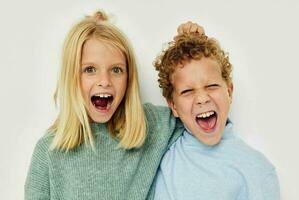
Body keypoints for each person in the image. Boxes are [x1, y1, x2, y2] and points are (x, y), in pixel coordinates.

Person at [24, 10, 203, 199]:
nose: (104, 81)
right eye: (90, 69)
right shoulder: (49, 151)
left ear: (129, 78)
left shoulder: (151, 126)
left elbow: (200, 114)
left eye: (116, 70)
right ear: (72, 76)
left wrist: (193, 52)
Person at [153, 33, 280, 199]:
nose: (202, 98)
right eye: (187, 91)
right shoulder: (161, 148)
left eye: (212, 86)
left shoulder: (257, 170)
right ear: (173, 106)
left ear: (229, 91)